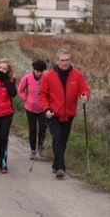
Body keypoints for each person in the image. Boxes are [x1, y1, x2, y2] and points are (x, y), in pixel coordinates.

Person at [39, 49, 90, 180]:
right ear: (57, 61)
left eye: (67, 60)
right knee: (57, 139)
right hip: (53, 113)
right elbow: (42, 95)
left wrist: (84, 95)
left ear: (70, 60)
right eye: (62, 60)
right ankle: (61, 167)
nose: (65, 63)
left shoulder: (77, 75)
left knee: (63, 141)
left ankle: (56, 164)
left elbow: (84, 88)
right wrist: (46, 109)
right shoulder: (49, 76)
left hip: (69, 114)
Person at [18, 59, 48, 160]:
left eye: (41, 71)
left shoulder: (46, 79)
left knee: (43, 128)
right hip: (30, 108)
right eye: (37, 71)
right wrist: (26, 98)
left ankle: (40, 146)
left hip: (43, 108)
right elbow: (20, 90)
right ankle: (33, 150)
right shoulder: (26, 78)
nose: (39, 73)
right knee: (33, 129)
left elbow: (50, 92)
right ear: (33, 69)